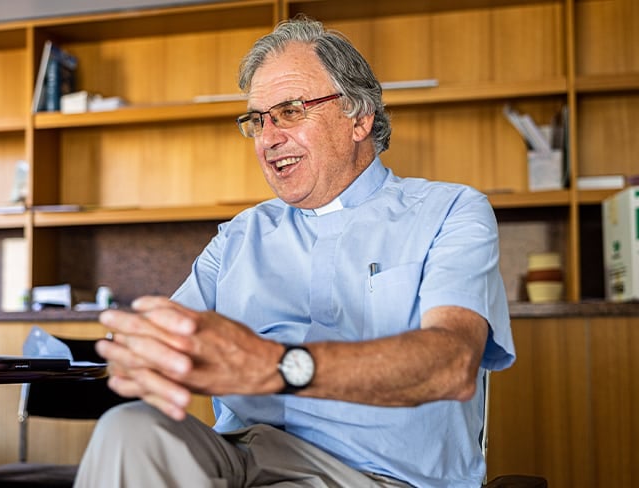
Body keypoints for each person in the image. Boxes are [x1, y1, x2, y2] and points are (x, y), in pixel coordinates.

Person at [75, 15, 515, 488]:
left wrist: (274, 366)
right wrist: (143, 353)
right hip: (243, 456)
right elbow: (167, 341)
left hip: (380, 475)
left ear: (359, 118)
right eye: (257, 120)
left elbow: (451, 364)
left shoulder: (449, 211)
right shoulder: (240, 236)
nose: (268, 139)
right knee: (130, 430)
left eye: (290, 111)